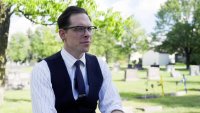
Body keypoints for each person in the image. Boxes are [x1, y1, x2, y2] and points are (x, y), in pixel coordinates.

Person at [31, 6, 124, 113]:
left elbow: (112, 104)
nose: (87, 34)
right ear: (62, 34)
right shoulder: (43, 70)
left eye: (89, 28)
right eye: (80, 29)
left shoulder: (100, 65)